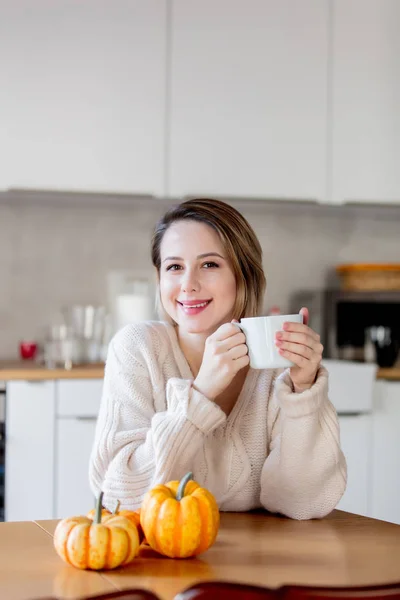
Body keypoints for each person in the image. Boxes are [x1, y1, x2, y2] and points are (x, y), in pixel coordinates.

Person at [89, 198, 347, 520]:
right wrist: (201, 395)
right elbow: (116, 497)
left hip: (264, 559)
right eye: (174, 267)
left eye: (209, 264)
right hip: (163, 556)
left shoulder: (277, 363)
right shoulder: (137, 348)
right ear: (160, 278)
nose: (188, 285)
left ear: (244, 274)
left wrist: (304, 392)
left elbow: (304, 503)